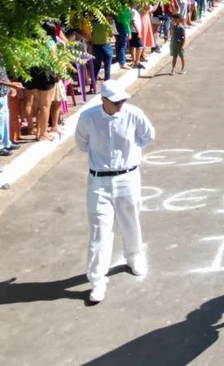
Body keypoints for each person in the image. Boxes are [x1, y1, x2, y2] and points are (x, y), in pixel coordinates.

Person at [74, 79, 155, 303]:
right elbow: (82, 143)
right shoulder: (88, 118)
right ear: (104, 101)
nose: (121, 104)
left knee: (130, 221)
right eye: (116, 101)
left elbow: (148, 135)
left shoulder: (134, 114)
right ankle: (97, 280)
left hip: (128, 177)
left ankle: (134, 257)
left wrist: (130, 155)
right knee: (100, 230)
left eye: (123, 100)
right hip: (99, 181)